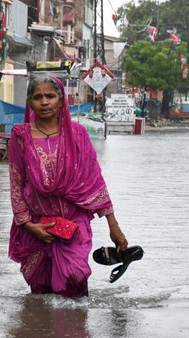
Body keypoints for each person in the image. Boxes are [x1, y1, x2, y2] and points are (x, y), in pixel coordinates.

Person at [7, 75, 128, 298]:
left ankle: (74, 331)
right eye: (38, 97)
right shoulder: (20, 137)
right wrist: (28, 225)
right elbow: (16, 183)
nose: (44, 102)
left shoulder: (78, 135)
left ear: (62, 101)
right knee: (40, 292)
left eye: (50, 96)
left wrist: (113, 226)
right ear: (30, 102)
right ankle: (42, 332)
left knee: (75, 279)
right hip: (36, 224)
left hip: (73, 223)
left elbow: (95, 182)